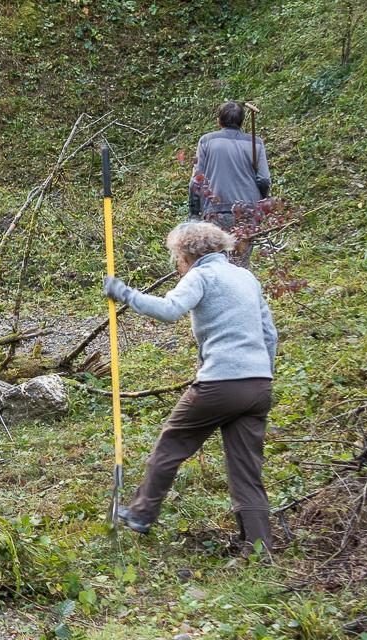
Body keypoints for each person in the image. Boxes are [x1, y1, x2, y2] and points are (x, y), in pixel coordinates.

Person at [103, 221, 278, 553]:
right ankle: (259, 547)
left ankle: (141, 514)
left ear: (188, 254)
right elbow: (269, 333)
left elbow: (170, 310)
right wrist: (261, 374)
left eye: (177, 259)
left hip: (220, 383)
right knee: (246, 469)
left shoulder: (201, 275)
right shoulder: (245, 277)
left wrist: (123, 293)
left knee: (171, 444)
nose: (178, 267)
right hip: (258, 386)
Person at [189, 101, 270, 265]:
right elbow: (264, 179)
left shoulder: (206, 141)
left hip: (216, 212)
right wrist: (261, 205)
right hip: (248, 212)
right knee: (241, 264)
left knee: (217, 262)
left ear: (219, 121)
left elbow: (196, 180)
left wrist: (194, 213)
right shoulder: (255, 143)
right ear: (242, 122)